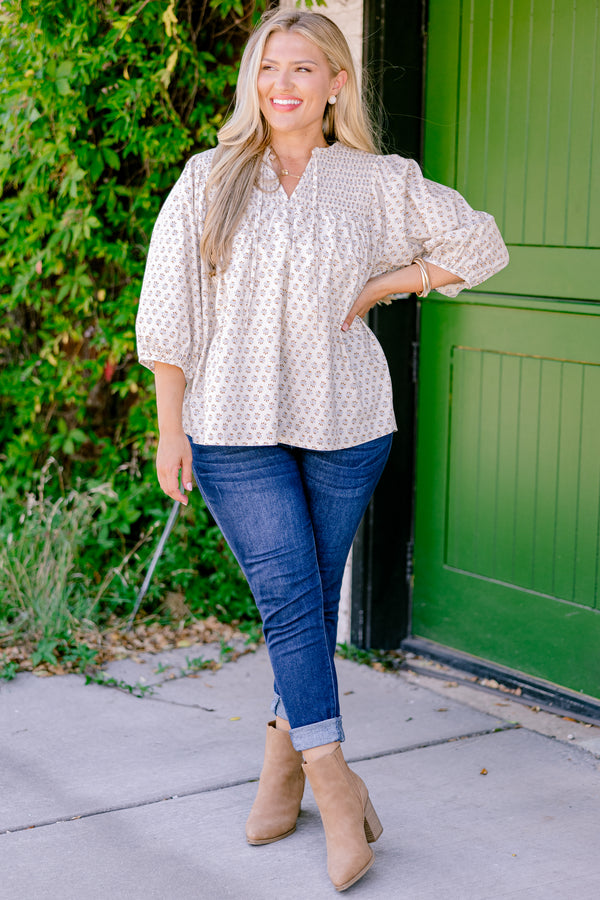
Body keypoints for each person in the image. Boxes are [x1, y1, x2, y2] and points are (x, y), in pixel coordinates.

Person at [136, 7, 508, 892]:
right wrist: (169, 425)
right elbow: (168, 312)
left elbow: (480, 244)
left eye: (302, 69)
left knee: (305, 600)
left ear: (336, 82)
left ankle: (281, 765)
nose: (282, 86)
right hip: (232, 427)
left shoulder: (377, 180)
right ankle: (336, 785)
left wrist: (389, 279)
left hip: (349, 425)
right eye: (269, 70)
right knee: (292, 601)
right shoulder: (210, 177)